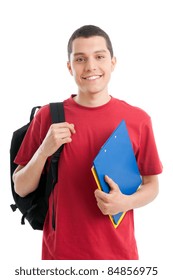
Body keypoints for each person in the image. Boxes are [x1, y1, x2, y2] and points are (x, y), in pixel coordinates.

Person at [13, 25, 163, 260]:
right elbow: (20, 187)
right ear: (69, 66)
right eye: (80, 59)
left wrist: (125, 202)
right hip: (60, 257)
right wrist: (44, 151)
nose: (91, 66)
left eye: (99, 56)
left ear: (113, 62)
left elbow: (152, 185)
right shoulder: (48, 116)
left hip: (118, 257)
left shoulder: (138, 119)